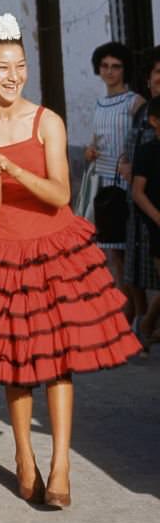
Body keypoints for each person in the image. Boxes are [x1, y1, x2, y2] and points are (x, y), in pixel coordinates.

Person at [0, 13, 140, 509]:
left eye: (20, 66)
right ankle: (23, 456)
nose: (13, 76)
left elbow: (59, 193)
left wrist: (12, 165)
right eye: (2, 67)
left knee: (59, 362)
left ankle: (60, 464)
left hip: (55, 246)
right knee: (18, 363)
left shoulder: (47, 121)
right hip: (4, 252)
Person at [85, 42, 144, 283]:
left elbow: (144, 139)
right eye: (105, 66)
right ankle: (126, 308)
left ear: (124, 70)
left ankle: (138, 310)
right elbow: (94, 140)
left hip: (129, 182)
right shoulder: (99, 104)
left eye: (116, 67)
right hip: (105, 182)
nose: (109, 71)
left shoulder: (135, 102)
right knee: (112, 251)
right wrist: (89, 151)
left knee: (132, 249)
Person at [124, 46, 160, 342]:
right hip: (147, 203)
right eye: (157, 72)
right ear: (148, 78)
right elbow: (130, 152)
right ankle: (144, 321)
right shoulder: (144, 113)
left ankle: (146, 324)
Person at [131, 93, 160, 348]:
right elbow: (138, 192)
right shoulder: (147, 152)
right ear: (154, 121)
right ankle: (148, 323)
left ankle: (149, 322)